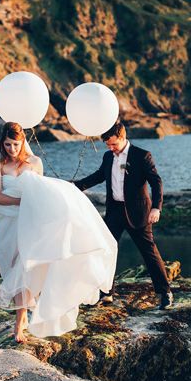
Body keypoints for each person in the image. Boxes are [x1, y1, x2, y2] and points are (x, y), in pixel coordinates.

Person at [0, 122, 117, 342]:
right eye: (7, 144)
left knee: (25, 266)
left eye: (15, 144)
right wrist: (23, 201)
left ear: (23, 142)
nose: (11, 149)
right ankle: (26, 314)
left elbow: (42, 194)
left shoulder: (35, 162)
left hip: (31, 221)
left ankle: (20, 324)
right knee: (12, 267)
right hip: (6, 221)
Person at [73, 120, 173, 309]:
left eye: (114, 144)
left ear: (123, 137)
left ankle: (165, 292)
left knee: (149, 252)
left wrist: (156, 208)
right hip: (115, 211)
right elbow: (98, 176)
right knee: (105, 251)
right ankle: (106, 293)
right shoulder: (108, 157)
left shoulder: (142, 156)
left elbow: (156, 183)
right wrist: (74, 187)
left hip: (139, 212)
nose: (111, 148)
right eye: (108, 145)